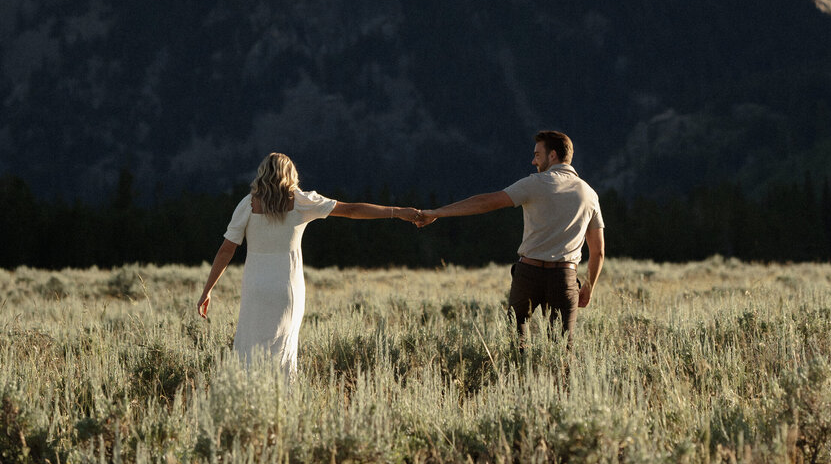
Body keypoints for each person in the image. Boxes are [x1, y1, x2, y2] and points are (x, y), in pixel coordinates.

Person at [197, 151, 420, 375]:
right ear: (290, 174)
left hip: (255, 289)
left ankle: (251, 402)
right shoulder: (302, 201)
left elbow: (226, 250)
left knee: (249, 351)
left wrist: (207, 290)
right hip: (287, 289)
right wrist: (398, 212)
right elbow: (352, 210)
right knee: (284, 353)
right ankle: (283, 404)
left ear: (262, 173)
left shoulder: (247, 204)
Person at [415, 128, 603, 338]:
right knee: (561, 349)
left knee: (516, 342)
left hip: (528, 274)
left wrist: (438, 213)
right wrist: (589, 285)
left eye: (537, 155)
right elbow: (598, 252)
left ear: (553, 155)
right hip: (564, 276)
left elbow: (486, 202)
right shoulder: (590, 194)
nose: (533, 162)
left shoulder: (534, 183)